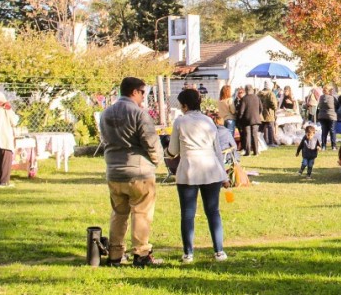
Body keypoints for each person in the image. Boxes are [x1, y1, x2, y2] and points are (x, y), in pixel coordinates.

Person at [100, 77, 163, 267]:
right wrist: (156, 160)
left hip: (114, 171)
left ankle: (115, 253)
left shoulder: (106, 114)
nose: (144, 96)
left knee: (118, 214)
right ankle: (141, 253)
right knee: (141, 212)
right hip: (139, 172)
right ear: (134, 92)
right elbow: (151, 142)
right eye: (143, 92)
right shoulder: (139, 114)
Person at [169, 89, 229, 263]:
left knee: (188, 213)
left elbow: (173, 150)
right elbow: (217, 150)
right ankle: (219, 251)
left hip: (189, 169)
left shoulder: (180, 121)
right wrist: (224, 175)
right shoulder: (208, 121)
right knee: (213, 211)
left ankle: (188, 253)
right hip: (211, 168)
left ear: (184, 105)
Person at [236, 85, 262, 156]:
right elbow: (261, 108)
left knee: (247, 136)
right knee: (255, 135)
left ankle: (248, 152)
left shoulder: (244, 99)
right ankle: (256, 152)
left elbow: (241, 111)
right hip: (256, 118)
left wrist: (239, 118)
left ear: (246, 90)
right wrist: (257, 114)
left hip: (246, 119)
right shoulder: (257, 97)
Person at [317, 86, 338, 151]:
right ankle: (333, 146)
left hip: (322, 116)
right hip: (331, 115)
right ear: (329, 91)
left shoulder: (321, 97)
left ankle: (323, 146)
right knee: (332, 131)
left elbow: (319, 106)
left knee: (324, 131)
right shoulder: (333, 97)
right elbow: (337, 105)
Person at [258, 81, 279, 147]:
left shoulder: (259, 94)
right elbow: (274, 104)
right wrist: (274, 108)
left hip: (261, 113)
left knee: (261, 129)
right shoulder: (270, 94)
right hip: (269, 113)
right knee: (270, 128)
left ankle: (261, 142)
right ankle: (271, 142)